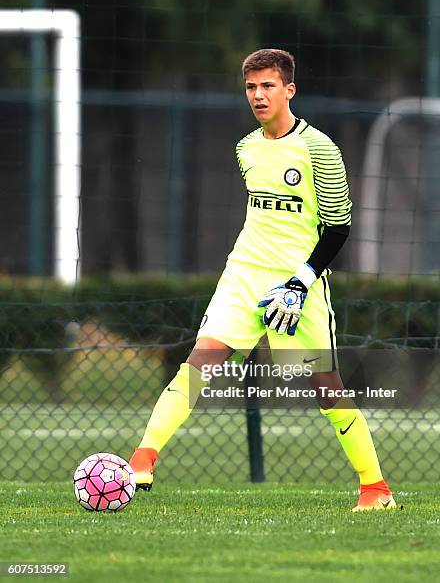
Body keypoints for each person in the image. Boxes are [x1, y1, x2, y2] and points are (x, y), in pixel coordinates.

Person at [130, 48, 396, 512]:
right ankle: (141, 460)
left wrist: (300, 281)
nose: (258, 95)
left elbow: (338, 228)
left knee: (326, 391)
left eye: (268, 85)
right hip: (243, 276)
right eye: (251, 87)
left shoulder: (320, 148)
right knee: (198, 367)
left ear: (289, 89)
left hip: (299, 288)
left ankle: (376, 491)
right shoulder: (246, 148)